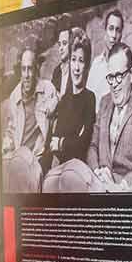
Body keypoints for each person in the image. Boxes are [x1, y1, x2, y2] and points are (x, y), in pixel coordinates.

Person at [87, 44, 132, 192]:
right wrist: (98, 172)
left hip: (128, 188)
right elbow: (92, 146)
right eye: (110, 77)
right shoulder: (104, 102)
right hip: (99, 182)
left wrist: (123, 185)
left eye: (119, 76)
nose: (114, 84)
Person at [40, 31, 96, 191]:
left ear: (86, 66)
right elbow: (51, 143)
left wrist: (61, 143)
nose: (77, 67)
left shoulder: (89, 98)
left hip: (76, 172)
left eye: (81, 61)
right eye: (73, 60)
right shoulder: (64, 100)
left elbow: (83, 142)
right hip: (57, 172)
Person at [0, 43, 53, 192]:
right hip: (19, 156)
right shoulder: (14, 97)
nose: (27, 75)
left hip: (38, 155)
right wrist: (5, 147)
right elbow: (11, 131)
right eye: (23, 69)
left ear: (36, 69)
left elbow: (59, 104)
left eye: (30, 69)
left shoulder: (47, 89)